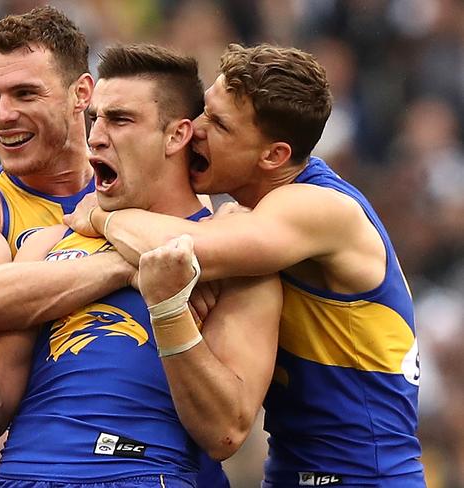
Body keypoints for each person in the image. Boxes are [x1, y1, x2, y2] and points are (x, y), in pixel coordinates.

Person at [66, 43, 426, 488]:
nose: (194, 130)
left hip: (364, 478)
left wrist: (103, 214)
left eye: (218, 125)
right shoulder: (255, 215)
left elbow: (182, 251)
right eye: (205, 111)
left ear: (273, 155)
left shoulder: (319, 207)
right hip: (290, 473)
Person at [0, 9, 235, 486]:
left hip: (166, 468)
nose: (3, 115)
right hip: (46, 461)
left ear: (82, 94)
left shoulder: (160, 184)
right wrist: (123, 265)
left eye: (25, 93)